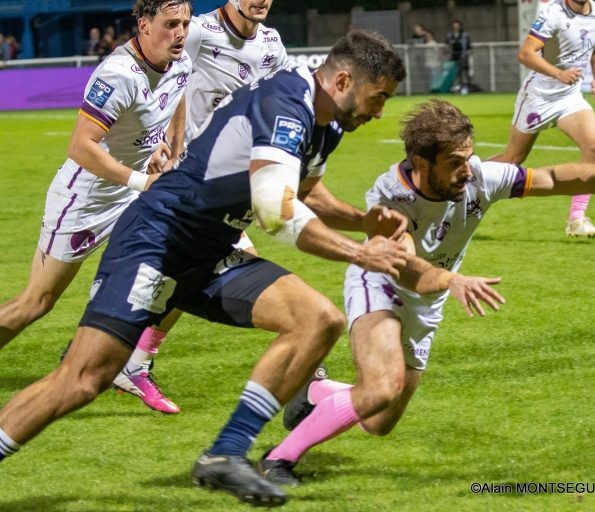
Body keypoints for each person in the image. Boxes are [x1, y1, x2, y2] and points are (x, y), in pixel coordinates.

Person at [0, 29, 418, 508]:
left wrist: (365, 220)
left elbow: (307, 194)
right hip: (159, 242)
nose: (380, 111)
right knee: (81, 381)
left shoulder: (328, 124)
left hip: (212, 250)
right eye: (378, 97)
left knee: (317, 319)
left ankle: (225, 455)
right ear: (344, 81)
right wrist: (362, 251)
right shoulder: (287, 105)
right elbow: (275, 211)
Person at [256, 99, 595, 486]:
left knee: (379, 422)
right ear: (422, 164)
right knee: (382, 387)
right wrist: (454, 280)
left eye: (468, 157)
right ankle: (276, 460)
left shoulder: (480, 175)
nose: (467, 169)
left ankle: (313, 390)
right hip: (382, 286)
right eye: (454, 162)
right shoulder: (391, 200)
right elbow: (407, 270)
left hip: (432, 297)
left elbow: (558, 178)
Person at [0, 0, 193, 416]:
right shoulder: (117, 74)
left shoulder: (180, 62)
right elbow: (80, 146)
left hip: (132, 192)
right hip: (85, 198)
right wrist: (141, 178)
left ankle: (133, 363)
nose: (180, 32)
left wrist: (171, 152)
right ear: (143, 25)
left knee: (186, 258)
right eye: (171, 24)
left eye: (186, 23)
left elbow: (178, 99)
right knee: (36, 301)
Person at [108, 0, 292, 414]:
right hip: (190, 178)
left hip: (225, 179)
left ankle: (113, 351)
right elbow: (151, 73)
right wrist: (159, 140)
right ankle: (304, 375)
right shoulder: (195, 31)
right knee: (243, 267)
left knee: (182, 274)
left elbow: (280, 97)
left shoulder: (271, 43)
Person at [489, 0, 595, 238]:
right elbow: (525, 53)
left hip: (570, 96)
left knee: (593, 146)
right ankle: (461, 177)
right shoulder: (552, 12)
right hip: (538, 96)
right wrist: (559, 73)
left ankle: (577, 219)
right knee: (512, 159)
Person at [445, 20, 471, 95]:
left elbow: (468, 46)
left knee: (464, 73)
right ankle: (454, 88)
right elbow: (446, 45)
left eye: (457, 25)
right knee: (453, 74)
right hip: (453, 57)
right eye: (454, 25)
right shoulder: (450, 35)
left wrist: (466, 55)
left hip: (463, 57)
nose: (456, 27)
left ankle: (465, 88)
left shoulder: (465, 35)